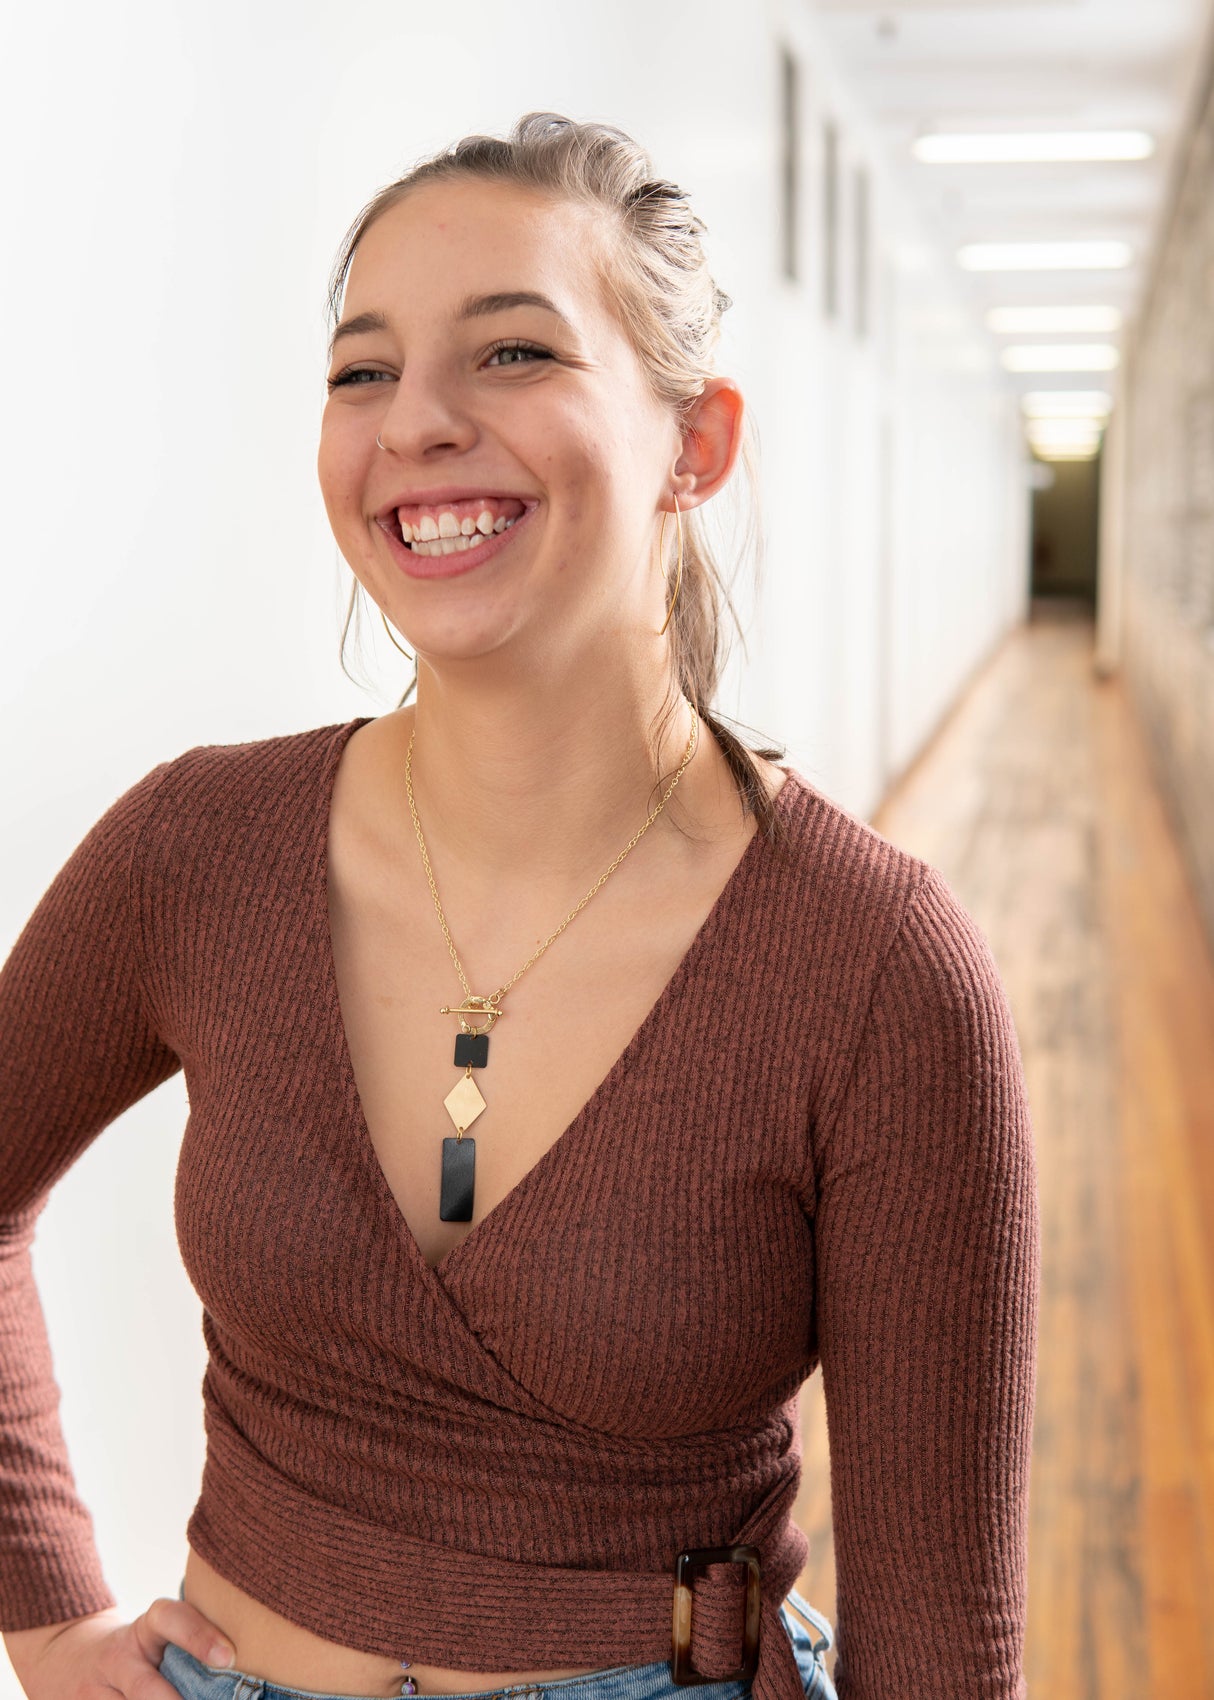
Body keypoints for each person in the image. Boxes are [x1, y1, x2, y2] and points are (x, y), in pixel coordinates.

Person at [0, 113, 1039, 1700]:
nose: (412, 422)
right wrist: (48, 1617)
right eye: (361, 370)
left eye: (508, 355)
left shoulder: (876, 970)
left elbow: (940, 1648)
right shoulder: (194, 850)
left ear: (693, 445)